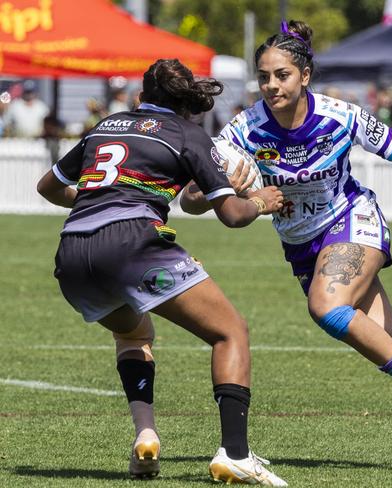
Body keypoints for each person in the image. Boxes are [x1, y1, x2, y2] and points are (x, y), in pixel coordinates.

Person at [181, 20, 392, 471]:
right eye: (264, 76)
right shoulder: (243, 130)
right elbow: (191, 199)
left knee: (326, 307)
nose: (271, 85)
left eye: (282, 75)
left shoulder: (339, 115)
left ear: (304, 75)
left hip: (352, 221)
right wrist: (216, 189)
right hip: (302, 247)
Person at [36, 58, 287, 486]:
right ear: (187, 103)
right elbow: (233, 215)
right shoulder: (190, 134)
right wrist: (262, 200)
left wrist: (98, 197)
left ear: (140, 98)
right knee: (230, 332)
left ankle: (146, 435)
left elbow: (48, 187)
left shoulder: (109, 125)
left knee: (133, 334)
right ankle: (236, 455)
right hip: (133, 244)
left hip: (73, 254)